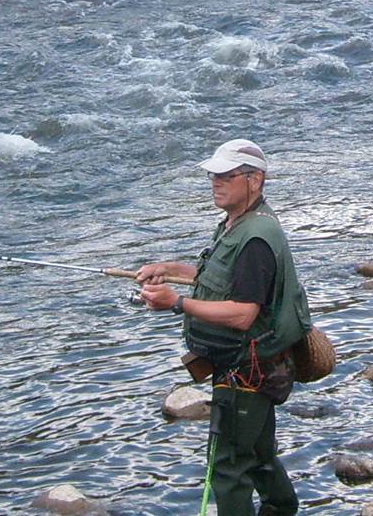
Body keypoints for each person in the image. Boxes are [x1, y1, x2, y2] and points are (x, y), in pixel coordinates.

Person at [137, 139, 310, 516]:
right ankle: (282, 509)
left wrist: (176, 302)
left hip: (246, 371)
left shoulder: (257, 239)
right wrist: (168, 269)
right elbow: (220, 277)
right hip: (251, 365)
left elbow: (244, 313)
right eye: (214, 175)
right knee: (259, 454)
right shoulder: (237, 224)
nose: (216, 182)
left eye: (226, 175)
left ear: (255, 180)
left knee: (229, 467)